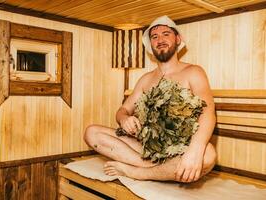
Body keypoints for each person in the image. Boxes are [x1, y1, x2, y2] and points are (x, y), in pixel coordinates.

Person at [84, 16, 216, 183]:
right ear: (150, 44)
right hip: (146, 149)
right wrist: (124, 119)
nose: (160, 39)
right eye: (155, 37)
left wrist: (195, 150)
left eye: (166, 34)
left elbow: (208, 112)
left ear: (178, 39)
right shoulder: (146, 79)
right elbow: (122, 110)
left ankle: (136, 172)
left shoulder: (194, 72)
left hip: (180, 149)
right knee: (92, 132)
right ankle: (154, 168)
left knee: (208, 154)